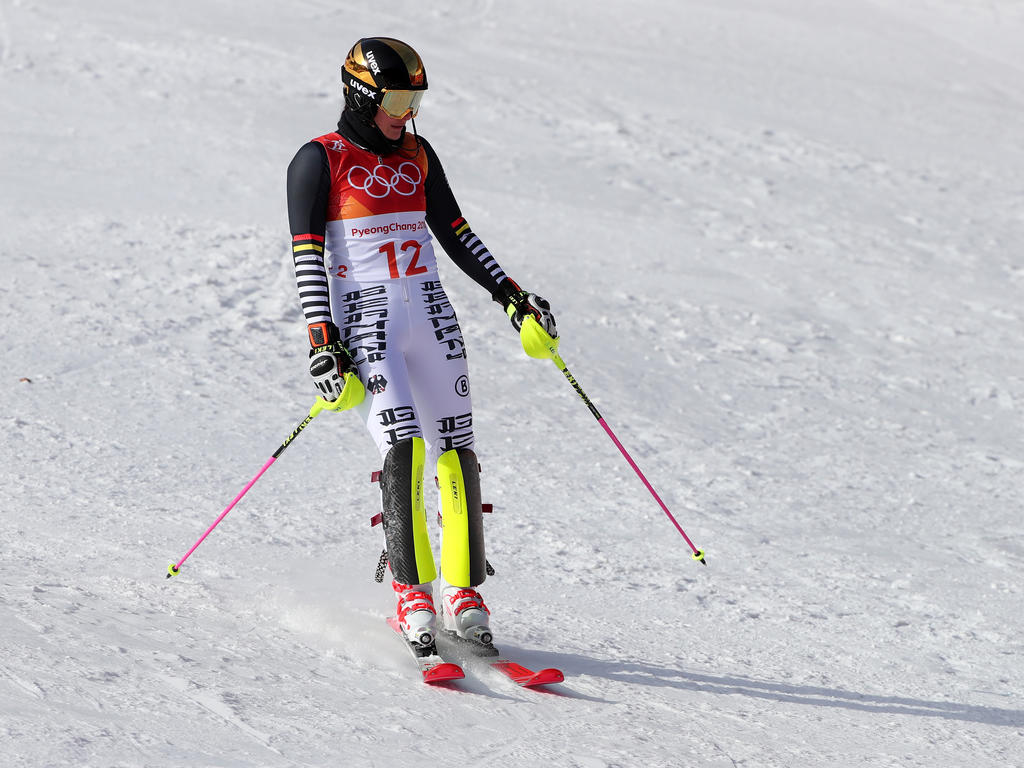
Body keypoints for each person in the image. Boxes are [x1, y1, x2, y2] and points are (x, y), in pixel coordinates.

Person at [286, 37, 557, 650]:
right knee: (402, 450)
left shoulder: (418, 153)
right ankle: (412, 593)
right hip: (368, 322)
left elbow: (455, 231)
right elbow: (306, 256)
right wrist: (321, 340)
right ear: (361, 91)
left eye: (415, 99)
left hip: (432, 317)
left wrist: (511, 297)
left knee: (457, 453)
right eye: (398, 97)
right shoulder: (319, 160)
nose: (407, 112)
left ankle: (464, 592)